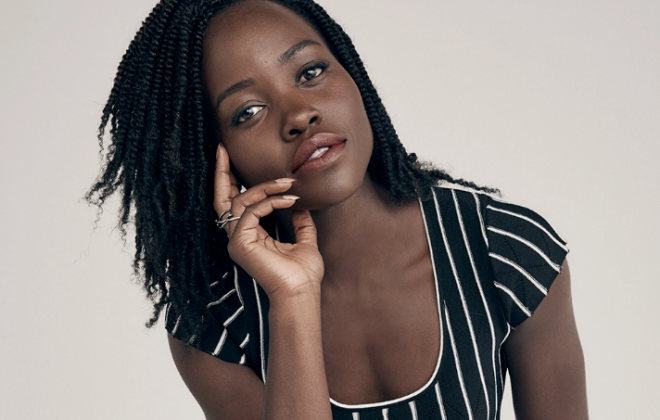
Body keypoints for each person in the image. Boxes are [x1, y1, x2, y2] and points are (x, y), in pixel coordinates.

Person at [87, 0, 588, 418]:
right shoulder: (214, 324)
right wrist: (293, 297)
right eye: (248, 112)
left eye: (310, 72)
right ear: (212, 156)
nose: (299, 115)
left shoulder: (503, 251)